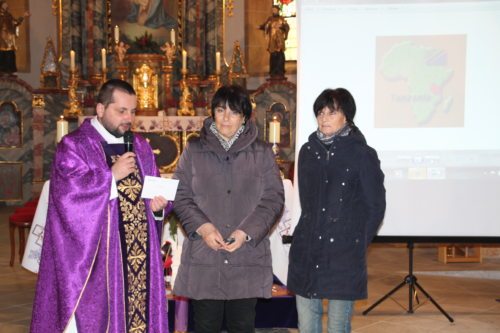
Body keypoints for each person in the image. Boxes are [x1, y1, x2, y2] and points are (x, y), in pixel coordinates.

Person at [31, 79, 172, 333]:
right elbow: (67, 199)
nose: (128, 118)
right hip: (99, 267)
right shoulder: (75, 146)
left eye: (132, 111)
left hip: (139, 261)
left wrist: (158, 207)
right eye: (121, 111)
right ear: (99, 109)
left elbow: (153, 192)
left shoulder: (140, 146)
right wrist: (110, 177)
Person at [173, 84, 284, 333]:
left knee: (242, 326)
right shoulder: (194, 149)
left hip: (245, 256)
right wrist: (203, 227)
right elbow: (180, 194)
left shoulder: (262, 152)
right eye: (221, 110)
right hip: (205, 255)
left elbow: (273, 198)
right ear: (212, 113)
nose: (226, 118)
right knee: (205, 325)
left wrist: (246, 231)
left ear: (244, 117)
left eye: (233, 112)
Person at [287, 88, 386, 333]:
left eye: (332, 112)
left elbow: (376, 206)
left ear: (347, 116)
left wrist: (355, 241)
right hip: (308, 251)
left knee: (338, 326)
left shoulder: (362, 154)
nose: (324, 118)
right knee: (307, 325)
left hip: (344, 255)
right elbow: (307, 202)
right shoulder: (308, 152)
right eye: (321, 112)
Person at [259, 5, 289, 78]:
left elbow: (287, 27)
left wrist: (281, 27)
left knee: (280, 54)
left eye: (275, 10)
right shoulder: (270, 19)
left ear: (278, 10)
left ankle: (280, 70)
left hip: (280, 39)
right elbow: (265, 26)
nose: (273, 11)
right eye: (273, 10)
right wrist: (261, 27)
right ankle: (273, 71)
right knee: (273, 54)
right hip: (272, 39)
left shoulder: (281, 19)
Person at [0, 0, 29, 74]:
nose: (6, 5)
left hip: (10, 38)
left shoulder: (9, 15)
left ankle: (10, 70)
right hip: (2, 38)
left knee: (10, 54)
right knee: (2, 54)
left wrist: (23, 16)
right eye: (4, 4)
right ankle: (2, 70)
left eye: (6, 5)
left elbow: (16, 22)